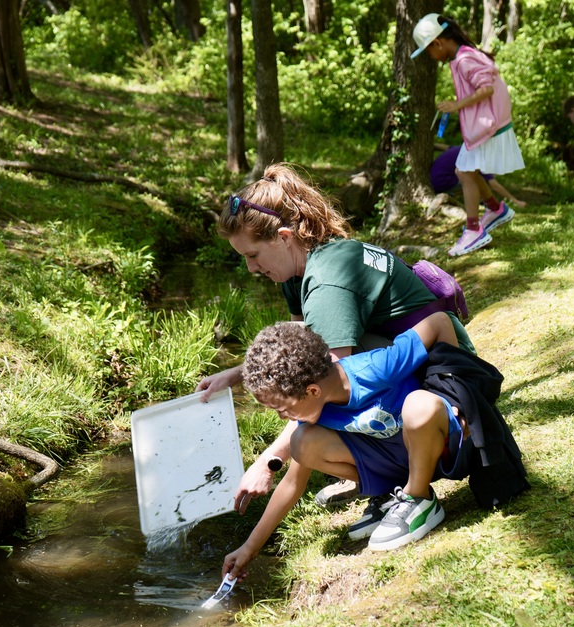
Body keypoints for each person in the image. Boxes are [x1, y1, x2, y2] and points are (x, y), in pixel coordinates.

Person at [196, 164, 476, 525]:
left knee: (330, 388)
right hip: (410, 356)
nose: (251, 268)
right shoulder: (298, 268)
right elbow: (296, 348)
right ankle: (383, 473)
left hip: (446, 376)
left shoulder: (328, 281)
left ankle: (400, 484)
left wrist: (268, 463)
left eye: (252, 255)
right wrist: (234, 375)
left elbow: (317, 383)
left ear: (283, 236)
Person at [222, 313, 466, 579]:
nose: (282, 417)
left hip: (439, 446)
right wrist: (249, 547)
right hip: (400, 461)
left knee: (419, 404)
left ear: (313, 391)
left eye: (283, 409)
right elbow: (292, 483)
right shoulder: (317, 411)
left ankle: (419, 498)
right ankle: (391, 492)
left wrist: (455, 392)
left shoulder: (375, 368)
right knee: (301, 443)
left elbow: (440, 322)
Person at [411, 14, 525, 257]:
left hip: (489, 125)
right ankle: (495, 209)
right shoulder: (462, 56)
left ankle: (474, 230)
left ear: (438, 43)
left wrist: (457, 105)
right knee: (466, 170)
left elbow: (487, 88)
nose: (431, 57)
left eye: (428, 51)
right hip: (488, 124)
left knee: (463, 170)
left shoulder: (463, 58)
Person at [431, 144, 528, 208]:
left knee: (472, 178)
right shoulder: (481, 159)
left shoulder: (466, 149)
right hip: (442, 182)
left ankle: (481, 201)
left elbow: (447, 147)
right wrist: (516, 202)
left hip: (433, 179)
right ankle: (488, 205)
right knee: (477, 181)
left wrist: (433, 145)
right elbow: (495, 186)